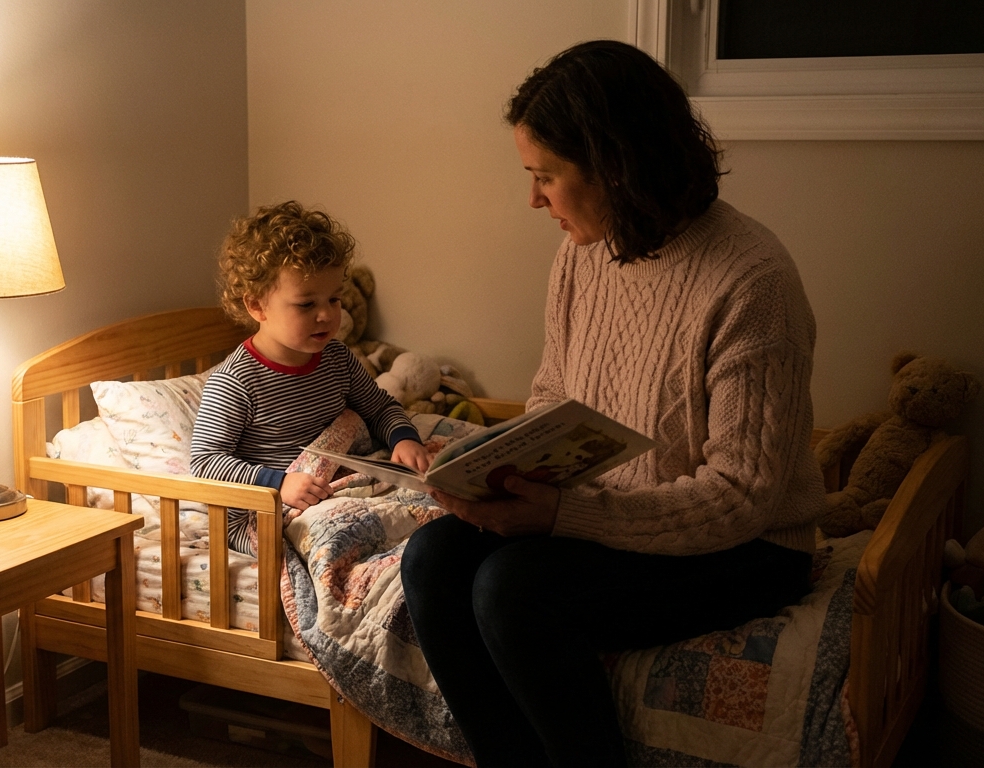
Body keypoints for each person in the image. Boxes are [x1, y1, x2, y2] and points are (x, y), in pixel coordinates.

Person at [399, 40, 827, 767]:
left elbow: (742, 498)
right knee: (434, 556)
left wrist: (565, 515)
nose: (533, 199)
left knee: (513, 589)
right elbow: (553, 398)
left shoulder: (752, 281)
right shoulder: (584, 251)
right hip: (613, 516)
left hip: (745, 547)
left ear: (617, 167)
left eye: (547, 178)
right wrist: (487, 465)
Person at [192, 200, 431, 554]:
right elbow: (205, 463)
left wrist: (403, 439)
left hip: (329, 488)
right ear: (257, 306)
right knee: (340, 538)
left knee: (428, 499)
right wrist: (279, 483)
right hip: (266, 509)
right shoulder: (236, 381)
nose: (326, 315)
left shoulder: (336, 358)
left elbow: (379, 407)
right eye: (307, 305)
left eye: (334, 299)